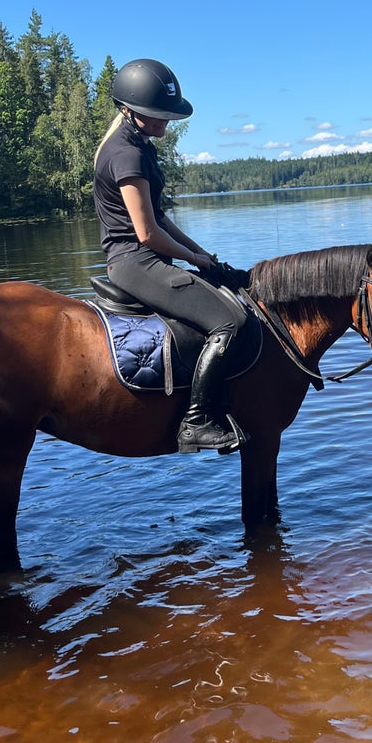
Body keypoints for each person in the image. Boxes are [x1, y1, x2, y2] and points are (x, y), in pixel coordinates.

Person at [93, 58, 250, 454]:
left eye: (167, 115)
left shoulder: (138, 146)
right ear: (128, 110)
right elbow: (146, 234)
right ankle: (196, 421)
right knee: (230, 321)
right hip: (133, 261)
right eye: (156, 114)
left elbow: (159, 218)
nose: (165, 122)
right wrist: (193, 261)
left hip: (140, 256)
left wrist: (199, 253)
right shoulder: (125, 155)